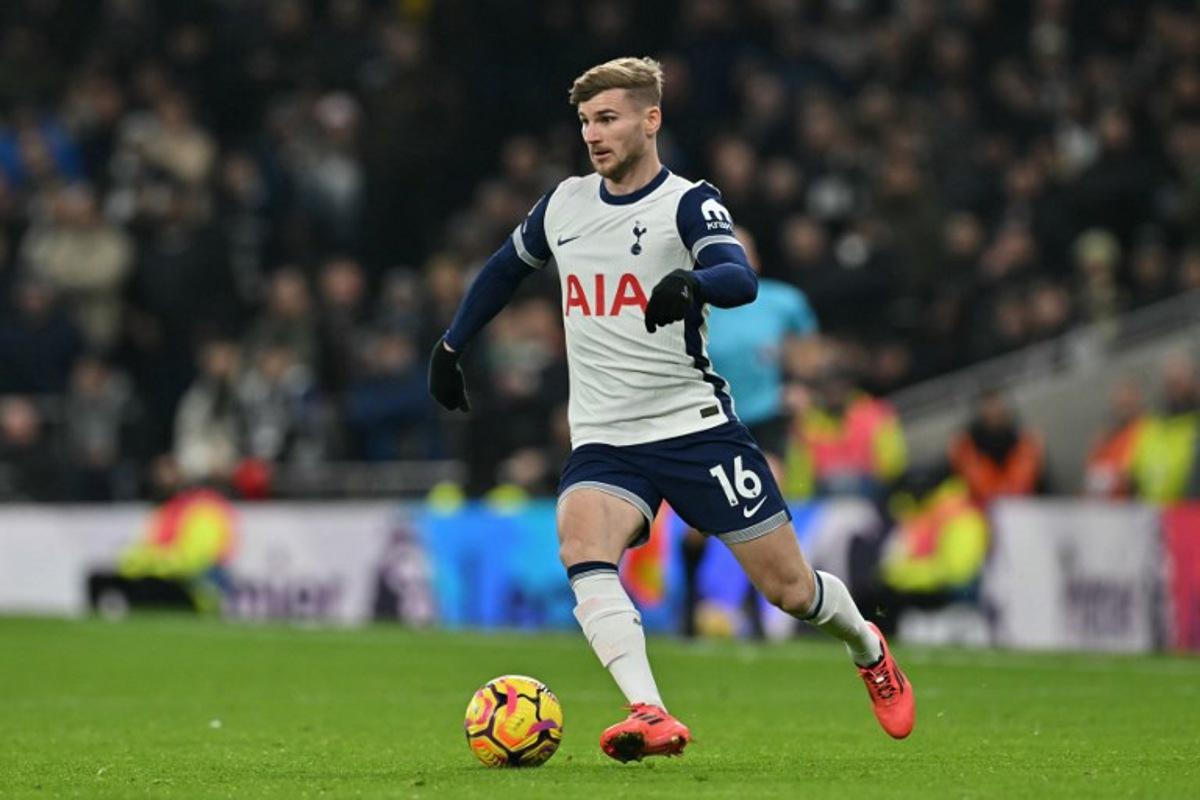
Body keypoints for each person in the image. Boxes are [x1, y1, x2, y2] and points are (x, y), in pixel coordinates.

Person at [427, 57, 914, 761]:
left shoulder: (688, 202)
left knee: (790, 589)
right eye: (587, 122)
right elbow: (505, 268)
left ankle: (868, 646)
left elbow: (738, 275)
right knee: (581, 544)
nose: (594, 135)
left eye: (609, 118)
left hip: (695, 432)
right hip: (605, 438)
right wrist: (452, 345)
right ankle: (649, 711)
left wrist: (694, 284)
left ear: (650, 120)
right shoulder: (564, 203)